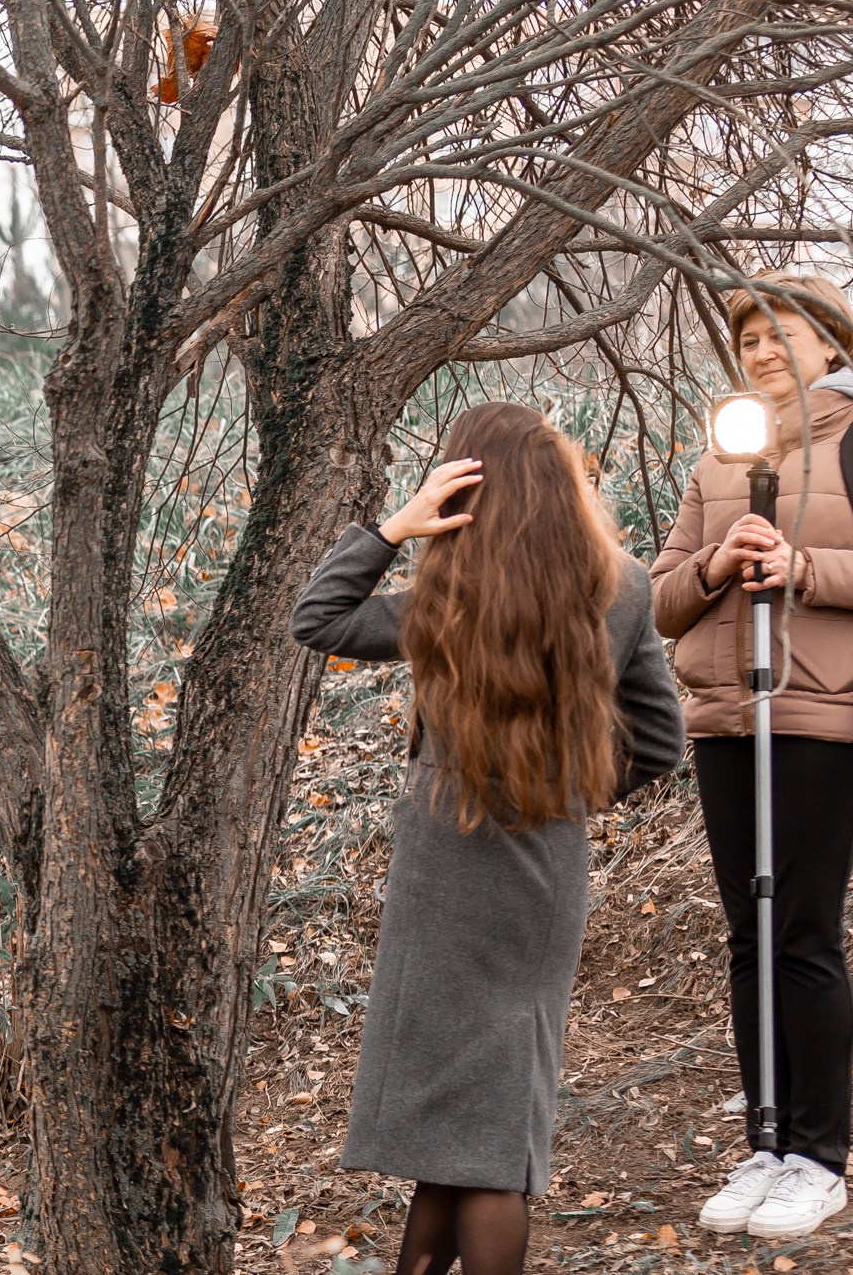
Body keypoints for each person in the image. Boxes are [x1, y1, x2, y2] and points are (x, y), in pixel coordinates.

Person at [293, 403, 684, 1274]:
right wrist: (567, 791)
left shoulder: (444, 595)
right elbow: (659, 742)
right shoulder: (617, 586)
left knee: (468, 1140)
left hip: (442, 867)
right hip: (544, 871)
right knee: (478, 1134)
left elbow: (317, 616)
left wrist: (394, 525)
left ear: (464, 486)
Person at [655, 271, 853, 1240]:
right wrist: (712, 562)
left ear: (829, 342)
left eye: (781, 334)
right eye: (748, 340)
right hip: (726, 721)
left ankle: (818, 1157)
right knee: (747, 934)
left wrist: (802, 567)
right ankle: (763, 1142)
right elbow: (656, 600)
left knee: (803, 932)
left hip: (820, 719)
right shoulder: (715, 464)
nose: (764, 351)